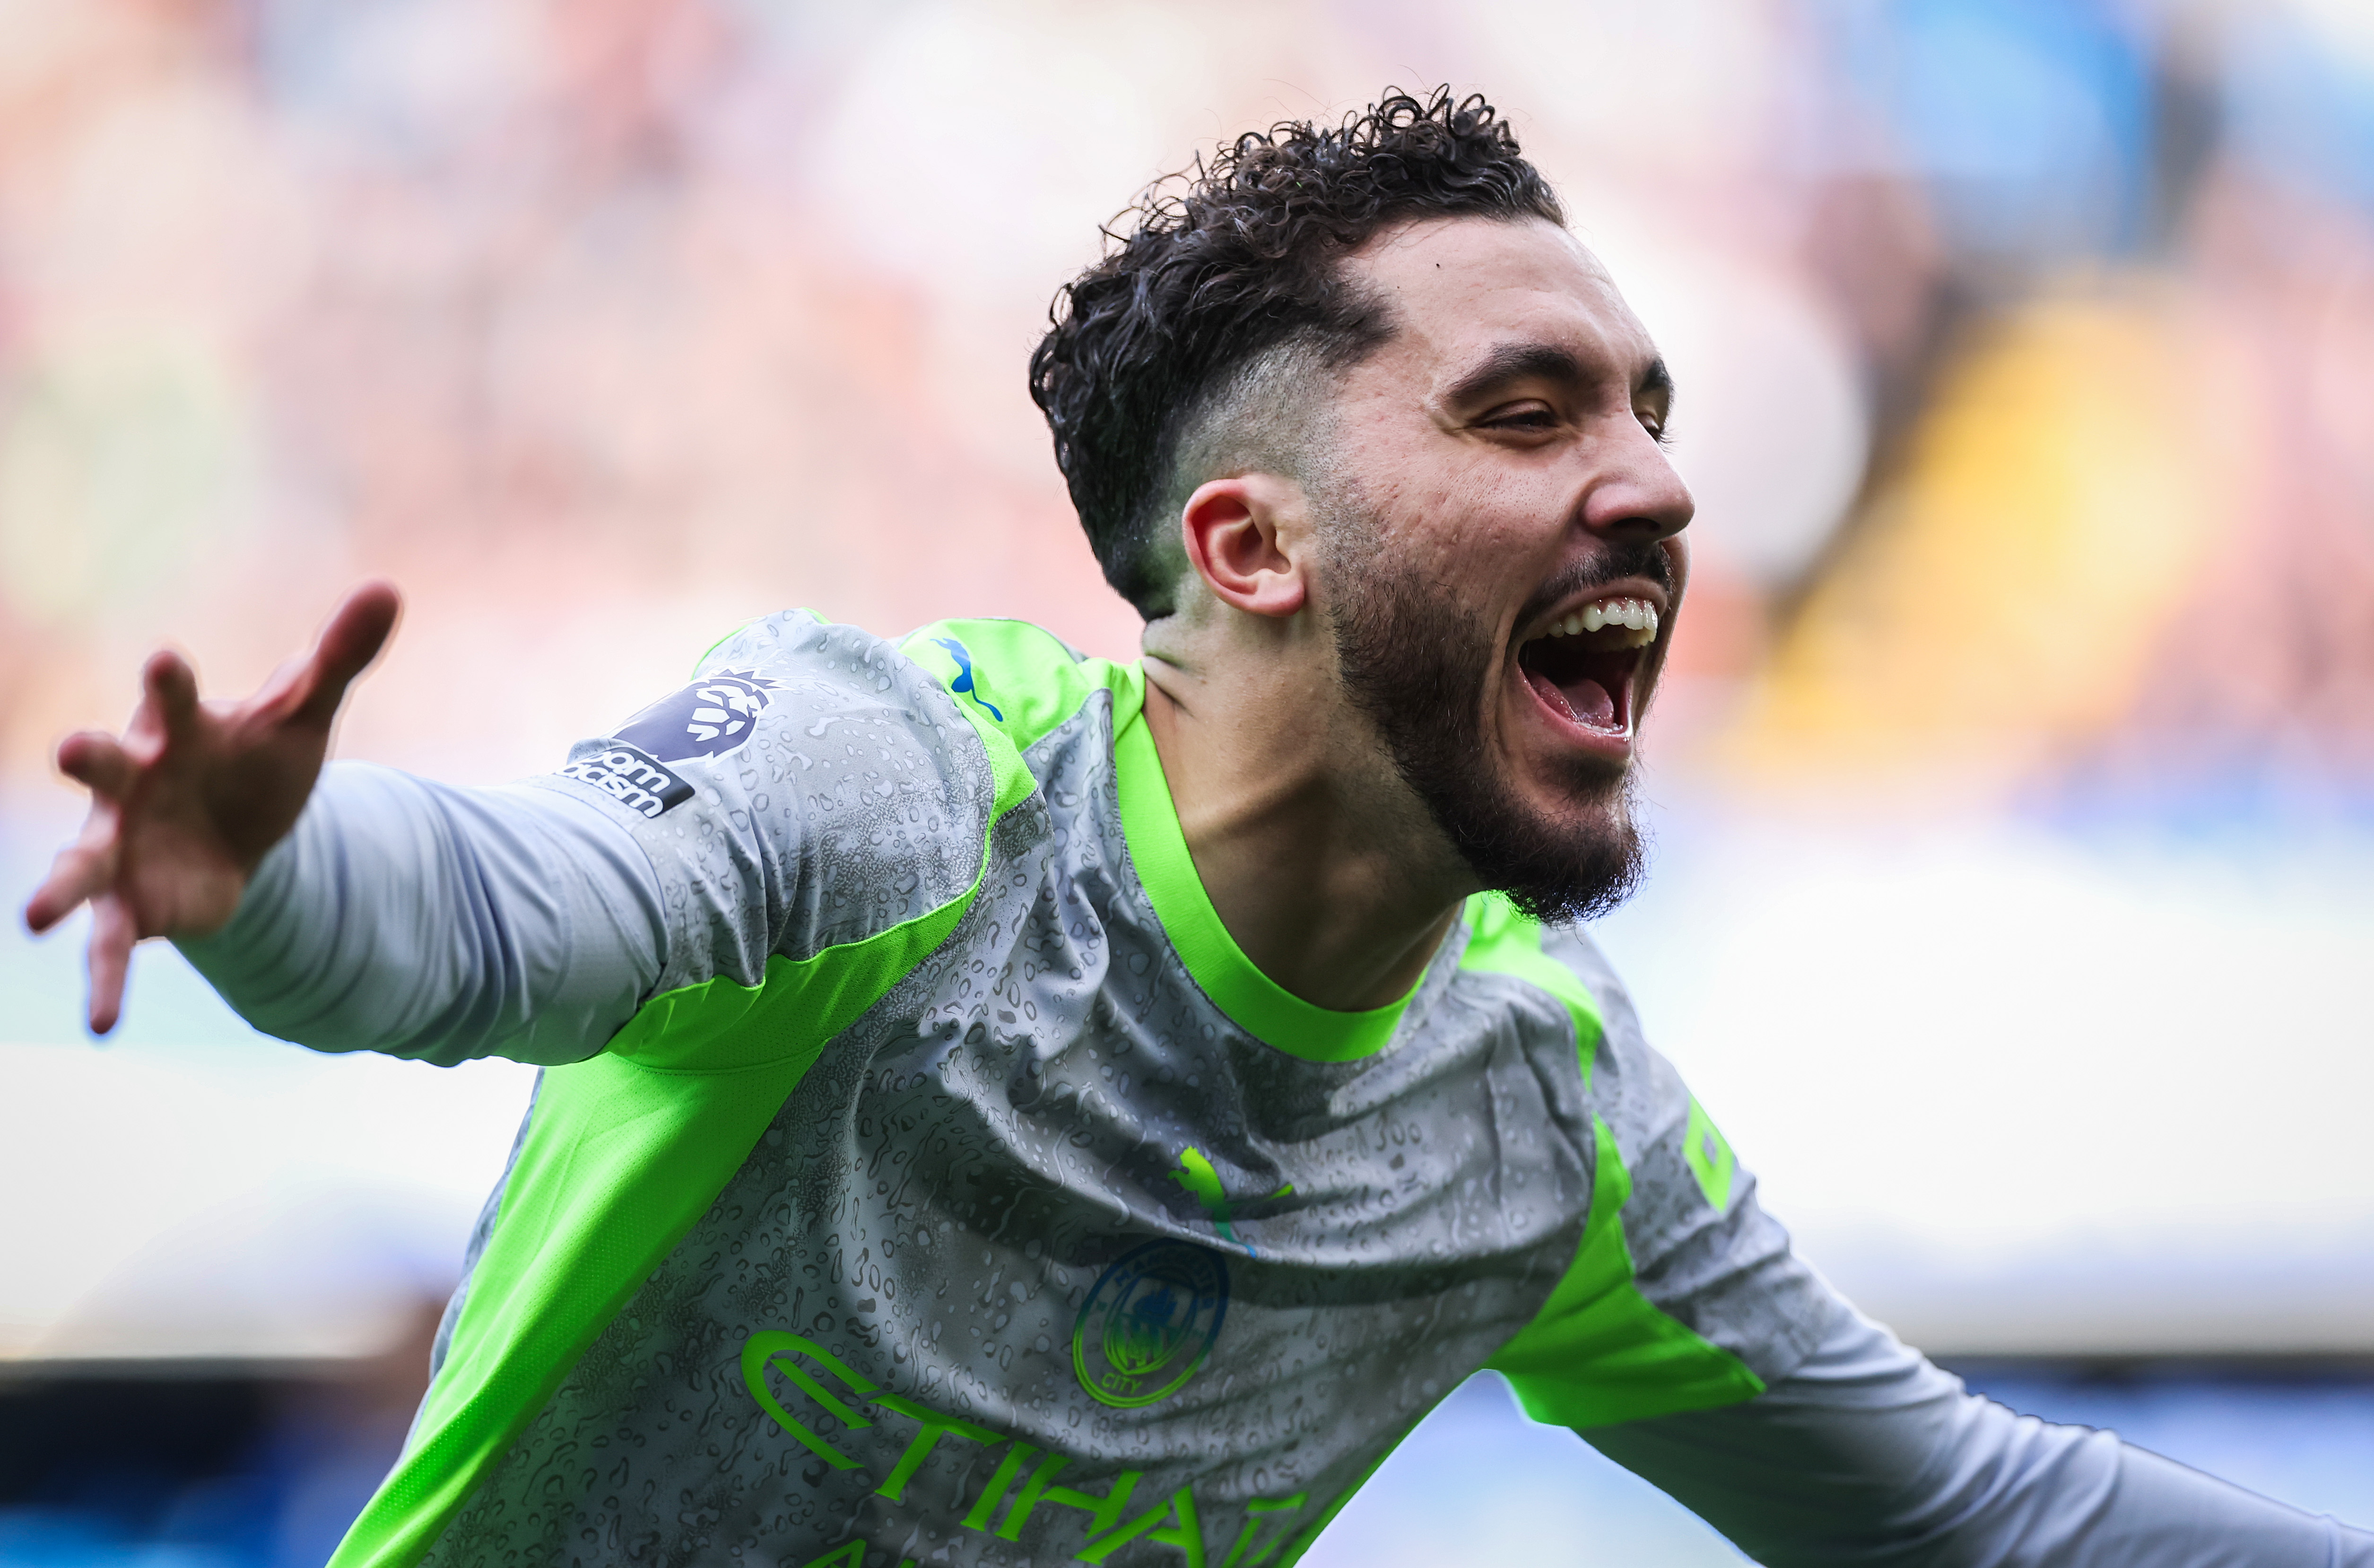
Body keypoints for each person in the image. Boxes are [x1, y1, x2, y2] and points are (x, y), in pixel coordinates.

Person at [23, 88, 2370, 1568]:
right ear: (1252, 547)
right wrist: (276, 875)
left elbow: (1977, 1509)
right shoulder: (904, 787)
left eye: (1648, 415)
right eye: (1525, 411)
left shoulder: (1537, 1122)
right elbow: (508, 917)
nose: (1654, 482)